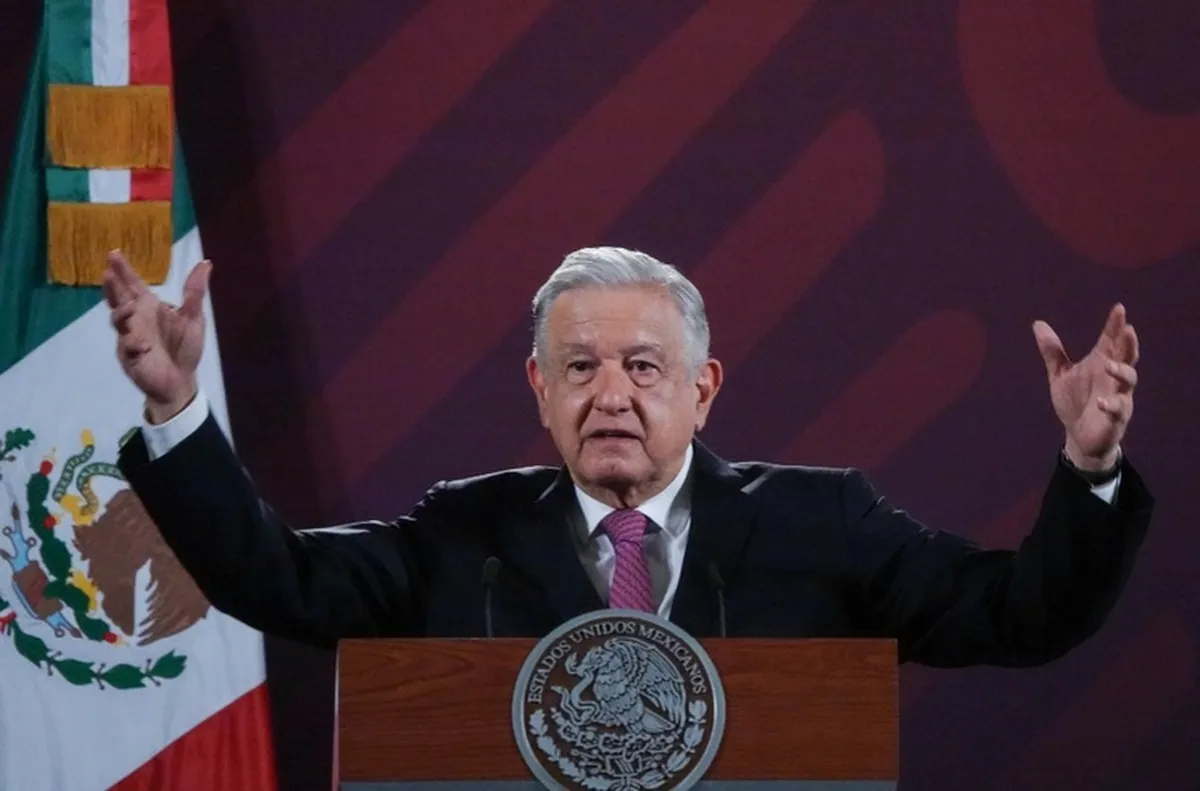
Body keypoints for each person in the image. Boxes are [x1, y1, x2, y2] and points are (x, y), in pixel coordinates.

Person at [104, 246, 1152, 666]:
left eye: (645, 367)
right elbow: (276, 577)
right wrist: (176, 407)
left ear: (703, 388)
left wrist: (1089, 465)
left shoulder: (822, 523)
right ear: (540, 388)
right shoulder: (463, 532)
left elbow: (1023, 615)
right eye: (580, 367)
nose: (611, 394)